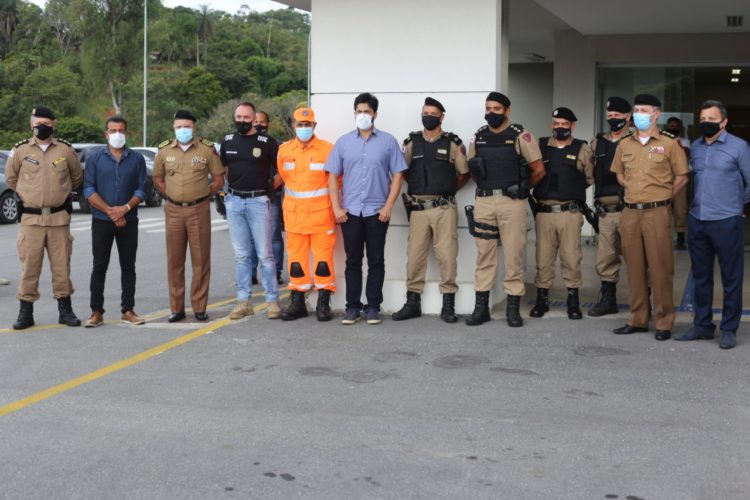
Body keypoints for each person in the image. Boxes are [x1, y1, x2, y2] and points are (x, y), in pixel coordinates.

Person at [610, 94, 689, 341]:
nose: (639, 115)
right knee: (634, 269)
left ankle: (664, 322)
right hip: (630, 212)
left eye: (644, 111)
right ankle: (638, 319)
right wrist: (632, 188)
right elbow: (619, 173)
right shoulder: (625, 143)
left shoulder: (669, 143)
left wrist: (664, 195)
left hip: (657, 212)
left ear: (656, 114)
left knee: (660, 269)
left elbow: (682, 176)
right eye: (637, 111)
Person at [325, 92, 407, 325]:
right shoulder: (343, 142)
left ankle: (373, 308)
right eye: (359, 111)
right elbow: (332, 176)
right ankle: (352, 308)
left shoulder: (388, 142)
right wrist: (337, 208)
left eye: (367, 112)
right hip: (350, 212)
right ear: (354, 113)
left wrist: (388, 206)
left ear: (375, 114)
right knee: (352, 261)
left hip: (377, 213)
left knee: (376, 261)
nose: (362, 115)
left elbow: (399, 174)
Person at [465, 92, 545, 327]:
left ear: (507, 111)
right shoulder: (478, 136)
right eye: (488, 108)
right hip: (484, 201)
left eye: (497, 109)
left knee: (513, 255)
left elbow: (539, 169)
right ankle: (481, 309)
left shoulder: (521, 135)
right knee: (484, 256)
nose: (491, 113)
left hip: (512, 203)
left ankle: (513, 309)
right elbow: (473, 169)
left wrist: (524, 189)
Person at [674, 100, 750, 349]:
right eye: (703, 119)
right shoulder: (695, 146)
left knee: (731, 278)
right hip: (698, 220)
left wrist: (735, 205)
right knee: (701, 276)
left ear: (724, 122)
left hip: (727, 221)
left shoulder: (739, 147)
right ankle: (703, 325)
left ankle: (729, 328)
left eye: (711, 119)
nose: (706, 123)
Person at [392, 97, 470, 323]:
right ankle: (412, 303)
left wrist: (446, 190)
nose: (428, 117)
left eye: (433, 114)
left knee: (447, 256)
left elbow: (464, 173)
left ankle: (448, 305)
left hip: (444, 208)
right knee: (415, 257)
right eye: (425, 113)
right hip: (418, 209)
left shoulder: (452, 142)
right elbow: (403, 171)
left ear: (441, 117)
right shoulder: (412, 142)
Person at [5, 105, 83, 329]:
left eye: (47, 124)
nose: (42, 127)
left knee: (61, 268)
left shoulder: (65, 150)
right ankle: (26, 312)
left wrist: (58, 193)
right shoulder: (20, 150)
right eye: (38, 123)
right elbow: (11, 178)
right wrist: (30, 194)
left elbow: (76, 177)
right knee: (29, 268)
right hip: (31, 220)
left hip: (59, 219)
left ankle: (65, 311)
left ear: (53, 125)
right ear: (31, 124)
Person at [153, 110, 225, 322]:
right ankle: (177, 308)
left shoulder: (207, 149)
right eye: (179, 127)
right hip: (173, 211)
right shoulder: (164, 150)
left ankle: (199, 307)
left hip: (198, 209)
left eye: (187, 126)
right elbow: (158, 179)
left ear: (194, 127)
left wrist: (202, 195)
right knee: (174, 261)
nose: (183, 130)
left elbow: (219, 179)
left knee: (200, 260)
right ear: (173, 128)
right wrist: (171, 196)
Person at [82, 116, 148, 327]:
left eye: (121, 130)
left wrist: (125, 209)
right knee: (99, 266)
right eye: (113, 130)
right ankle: (96, 312)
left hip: (129, 220)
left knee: (128, 266)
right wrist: (111, 212)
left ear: (126, 133)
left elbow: (141, 189)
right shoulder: (95, 158)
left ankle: (128, 310)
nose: (117, 134)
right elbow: (89, 189)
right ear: (106, 134)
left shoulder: (136, 159)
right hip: (102, 220)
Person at [529, 107, 594, 320]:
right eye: (556, 124)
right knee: (543, 258)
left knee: (571, 257)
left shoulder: (582, 148)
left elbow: (589, 177)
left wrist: (570, 190)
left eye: (564, 124)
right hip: (544, 212)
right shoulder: (540, 146)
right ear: (552, 125)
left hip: (569, 213)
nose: (560, 128)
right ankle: (542, 300)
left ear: (572, 126)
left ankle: (573, 302)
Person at [220, 102, 281, 320]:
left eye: (246, 118)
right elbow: (224, 168)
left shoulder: (267, 142)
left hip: (258, 202)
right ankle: (243, 302)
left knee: (265, 255)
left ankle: (272, 301)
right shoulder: (227, 141)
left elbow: (282, 170)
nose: (242, 121)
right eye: (239, 117)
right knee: (242, 255)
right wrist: (231, 191)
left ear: (254, 119)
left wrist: (268, 189)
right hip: (234, 202)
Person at [276, 107, 336, 321]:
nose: (303, 128)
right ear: (293, 125)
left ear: (314, 125)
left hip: (321, 216)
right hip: (294, 217)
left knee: (323, 261)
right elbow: (284, 178)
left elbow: (336, 181)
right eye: (300, 124)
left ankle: (323, 303)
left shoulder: (327, 150)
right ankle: (298, 302)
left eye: (307, 124)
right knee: (296, 261)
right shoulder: (284, 150)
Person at [588, 97, 632, 317]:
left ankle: (643, 302)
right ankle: (608, 301)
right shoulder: (598, 142)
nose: (613, 119)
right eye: (610, 115)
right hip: (605, 212)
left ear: (628, 117)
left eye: (617, 115)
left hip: (630, 210)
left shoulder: (636, 140)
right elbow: (588, 172)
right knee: (605, 258)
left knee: (636, 258)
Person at [250, 110, 284, 285]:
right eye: (255, 122)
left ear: (268, 124)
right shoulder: (244, 144)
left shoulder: (277, 145)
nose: (258, 125)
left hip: (272, 196)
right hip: (250, 197)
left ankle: (275, 272)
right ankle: (251, 273)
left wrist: (269, 188)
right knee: (251, 237)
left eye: (262, 122)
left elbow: (283, 171)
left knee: (273, 236)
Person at [665, 117, 691, 250]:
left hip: (679, 178)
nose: (673, 128)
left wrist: (676, 145)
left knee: (680, 209)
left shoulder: (684, 141)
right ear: (667, 126)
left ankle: (680, 238)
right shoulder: (660, 140)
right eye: (671, 126)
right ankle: (664, 238)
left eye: (676, 126)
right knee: (663, 209)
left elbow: (685, 155)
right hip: (663, 179)